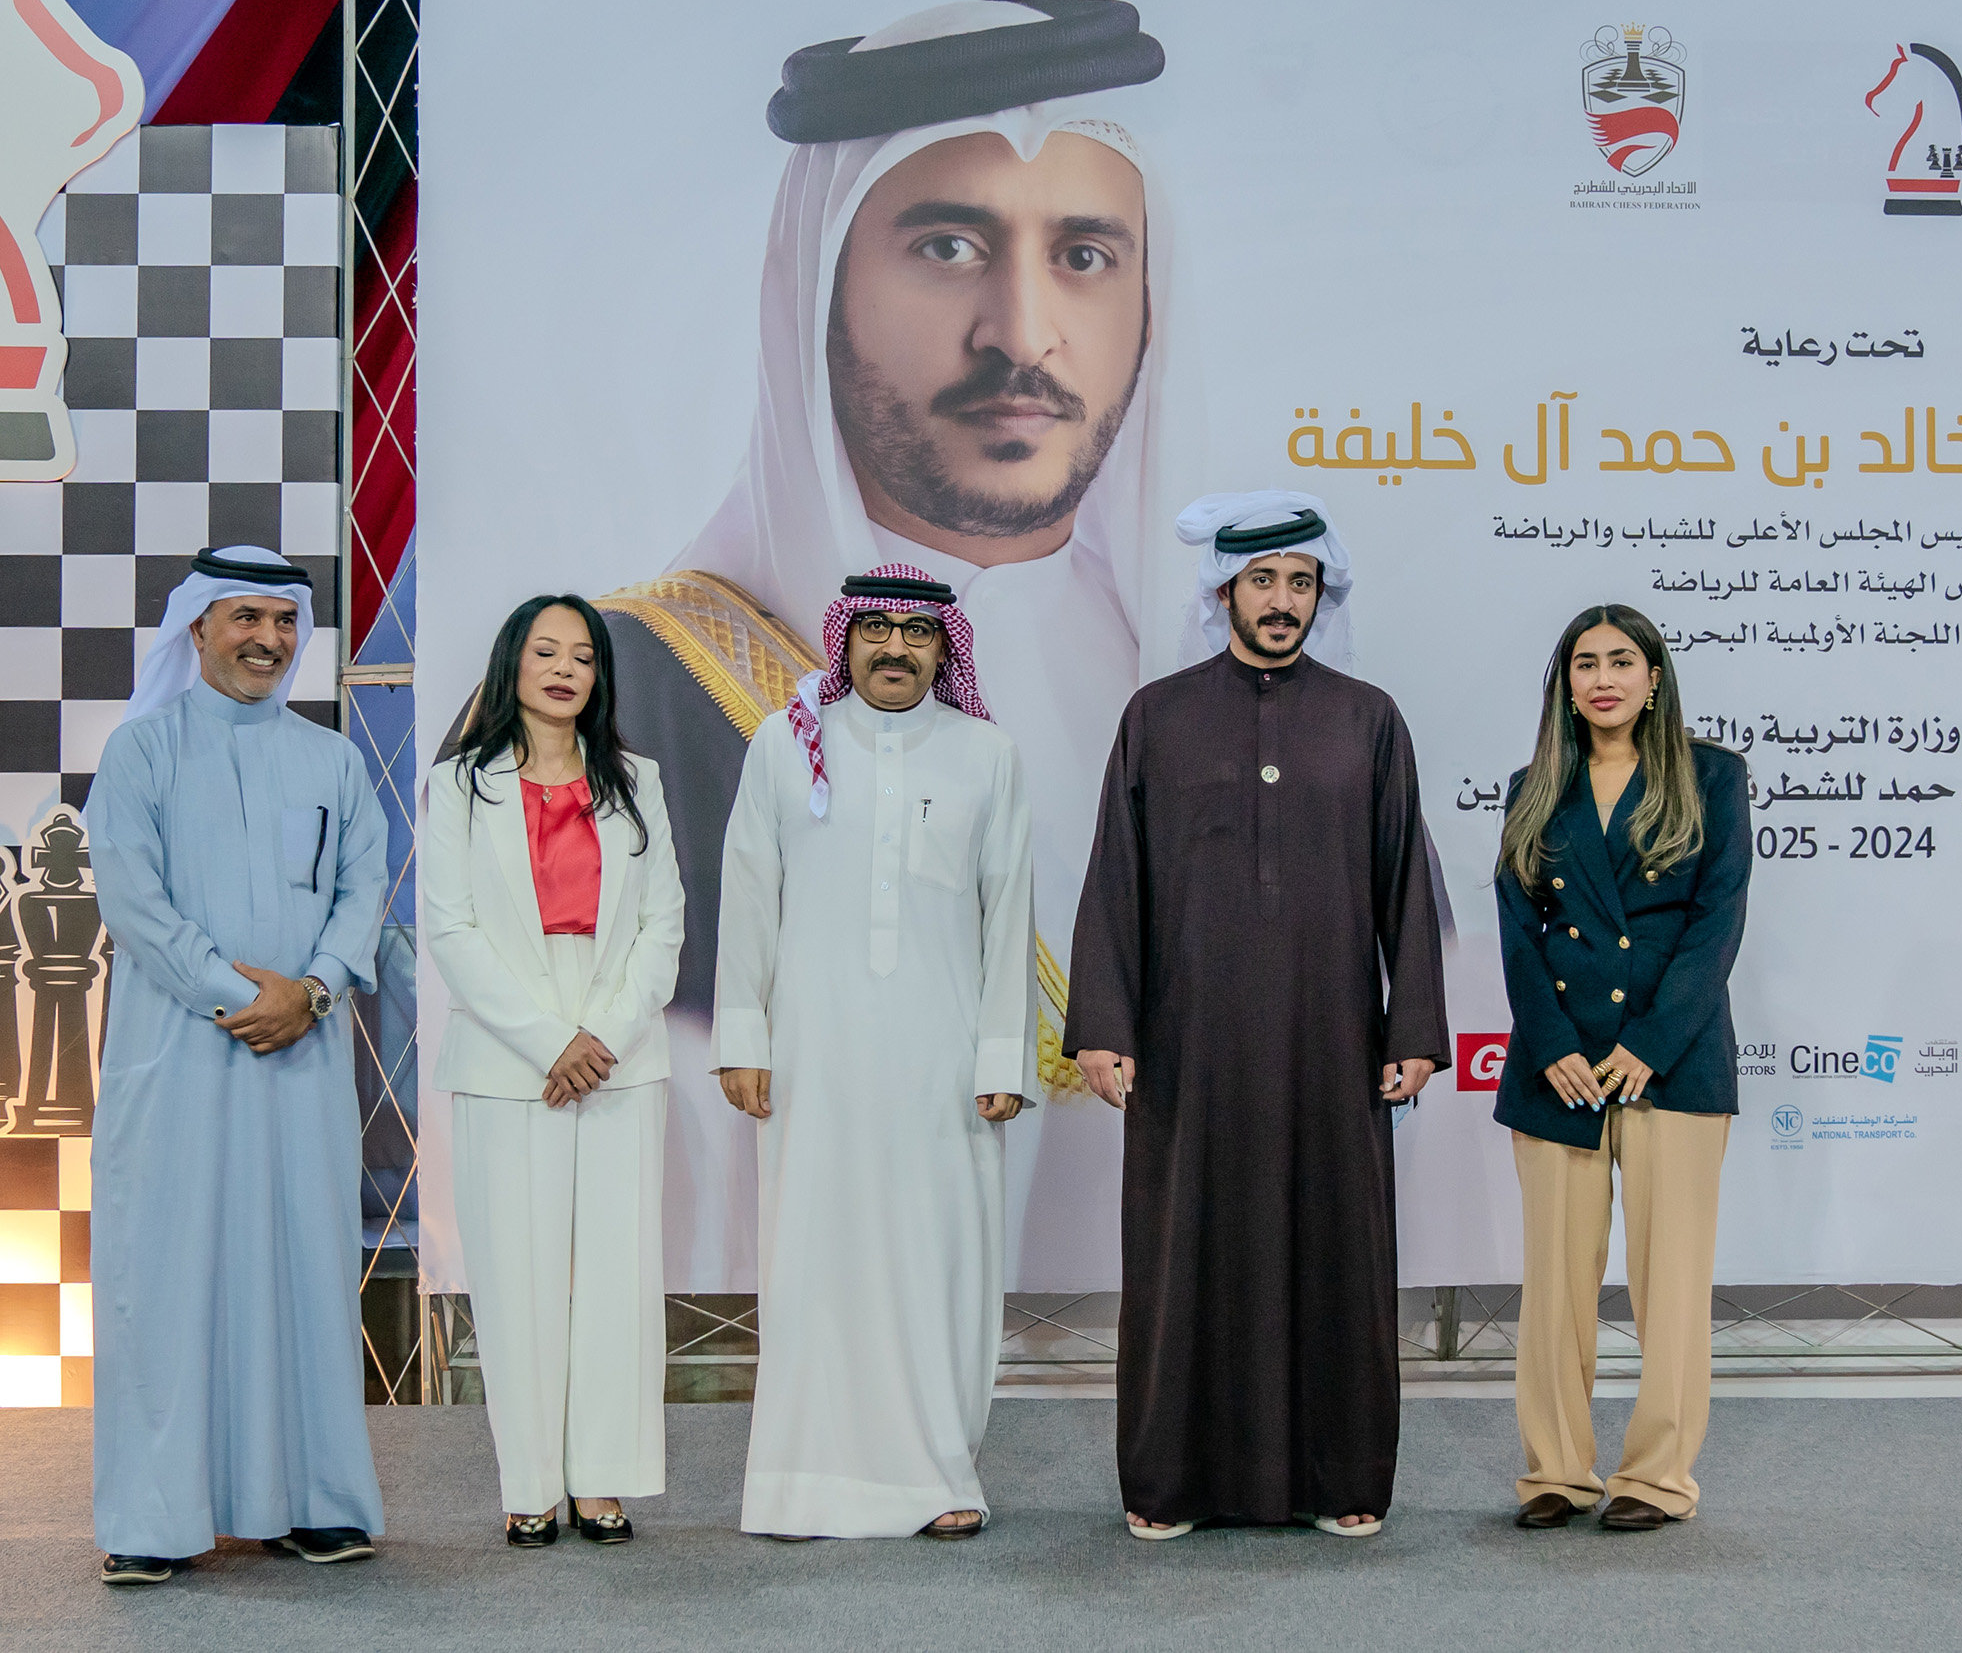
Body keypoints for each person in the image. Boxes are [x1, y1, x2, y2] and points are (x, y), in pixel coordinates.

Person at [587, 0, 1192, 1290]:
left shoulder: (1214, 693)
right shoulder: (636, 687)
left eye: (1085, 255)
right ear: (818, 290)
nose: (1021, 332)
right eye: (948, 245)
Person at [1063, 493, 1451, 1540]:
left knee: (1337, 1249)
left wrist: (1414, 1029)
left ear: (1321, 596)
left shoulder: (1367, 719)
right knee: (1182, 1249)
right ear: (1224, 591)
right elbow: (1115, 880)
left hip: (1332, 1040)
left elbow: (1404, 884)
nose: (1282, 601)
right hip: (1189, 1044)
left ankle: (1342, 1475)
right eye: (1263, 581)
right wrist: (1104, 1024)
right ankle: (1171, 1482)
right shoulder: (1157, 717)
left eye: (1300, 583)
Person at [86, 546, 388, 1583]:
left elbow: (363, 890)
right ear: (200, 628)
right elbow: (133, 900)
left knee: (302, 1269)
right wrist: (240, 992)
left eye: (284, 621)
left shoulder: (332, 761)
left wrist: (313, 990)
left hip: (302, 1058)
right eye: (246, 618)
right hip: (179, 1057)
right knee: (167, 1275)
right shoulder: (141, 751)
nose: (268, 639)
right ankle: (152, 1517)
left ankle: (311, 1503)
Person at [713, 565, 1034, 1539]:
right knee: (814, 1260)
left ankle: (935, 1473)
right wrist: (743, 1035)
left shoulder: (987, 754)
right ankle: (801, 1482)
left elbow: (1008, 914)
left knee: (937, 1261)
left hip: (942, 1062)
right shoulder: (784, 744)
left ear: (944, 649)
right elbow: (747, 893)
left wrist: (1002, 1057)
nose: (895, 648)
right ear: (844, 638)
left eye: (916, 633)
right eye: (876, 630)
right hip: (812, 1057)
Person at [424, 596, 686, 1547]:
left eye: (582, 655)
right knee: (516, 1276)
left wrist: (599, 1036)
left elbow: (664, 923)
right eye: (546, 651)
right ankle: (531, 1484)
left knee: (619, 1274)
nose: (565, 669)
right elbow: (451, 929)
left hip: (619, 1053)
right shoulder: (459, 786)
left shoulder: (638, 781)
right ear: (513, 665)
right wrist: (549, 1042)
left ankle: (601, 1479)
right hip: (509, 1059)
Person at [1493, 604, 1750, 1534]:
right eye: (1585, 663)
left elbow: (1717, 922)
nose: (1602, 678)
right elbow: (1518, 928)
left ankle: (1657, 1478)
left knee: (1671, 1284)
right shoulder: (1533, 786)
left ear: (1653, 678)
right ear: (1565, 684)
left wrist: (1650, 1043)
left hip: (1671, 1063)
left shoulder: (1713, 776)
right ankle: (1556, 1471)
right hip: (1557, 1066)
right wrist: (1554, 1044)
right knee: (1554, 1285)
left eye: (1621, 661)